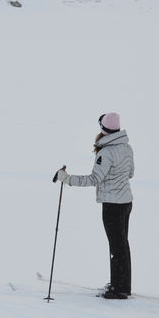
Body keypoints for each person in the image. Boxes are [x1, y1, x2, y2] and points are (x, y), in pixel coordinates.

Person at [54, 112, 134, 299]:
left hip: (113, 205)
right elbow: (130, 173)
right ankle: (122, 285)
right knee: (122, 245)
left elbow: (94, 179)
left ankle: (118, 290)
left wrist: (67, 179)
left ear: (103, 129)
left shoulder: (105, 152)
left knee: (116, 247)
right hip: (126, 202)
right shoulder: (127, 148)